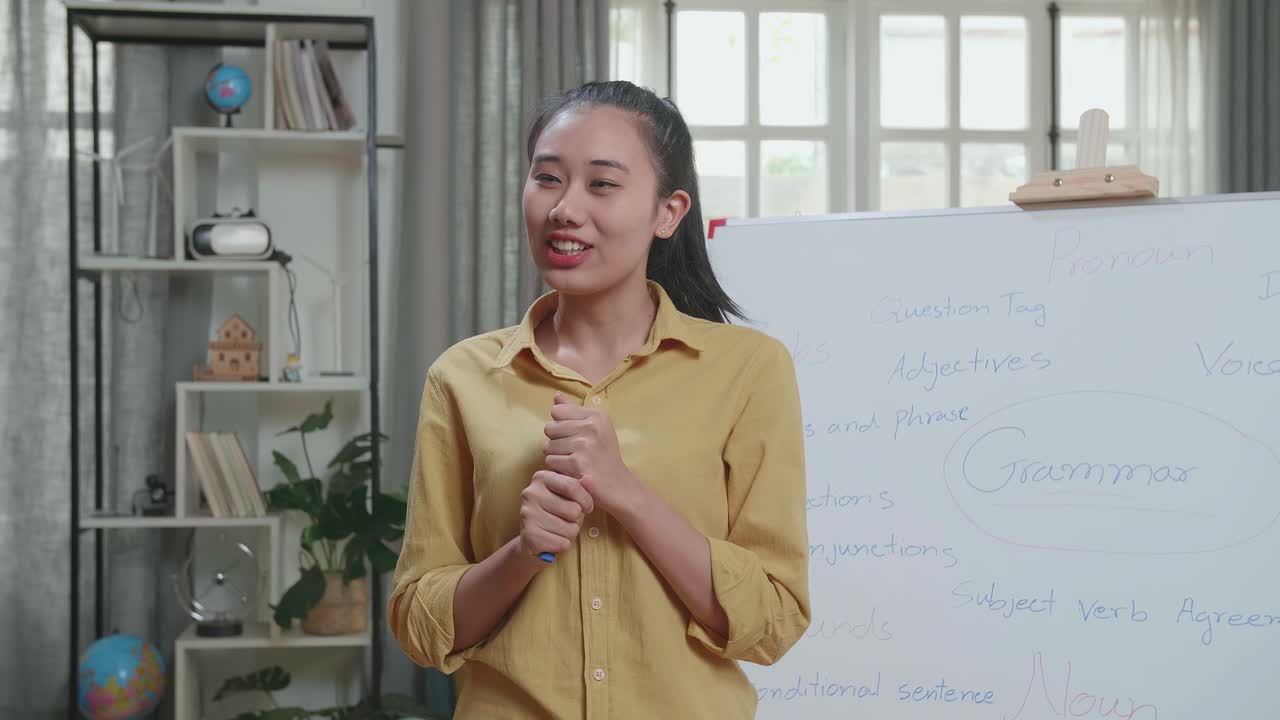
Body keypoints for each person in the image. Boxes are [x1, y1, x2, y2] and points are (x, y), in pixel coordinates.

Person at [388, 80, 809, 719]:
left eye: (602, 184)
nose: (564, 209)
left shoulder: (749, 370)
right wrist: (524, 552)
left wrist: (629, 497)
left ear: (668, 213)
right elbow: (420, 626)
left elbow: (774, 619)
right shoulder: (464, 377)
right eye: (547, 179)